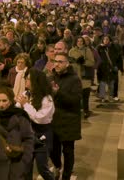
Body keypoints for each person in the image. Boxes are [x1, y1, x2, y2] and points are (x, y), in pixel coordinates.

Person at [0, 84, 34, 179]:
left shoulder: (20, 116)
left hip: (15, 165)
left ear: (10, 100)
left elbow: (29, 139)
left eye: (4, 101)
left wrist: (24, 161)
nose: (1, 104)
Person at [16, 69, 55, 180]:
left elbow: (40, 118)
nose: (26, 81)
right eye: (26, 78)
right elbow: (18, 109)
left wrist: (26, 105)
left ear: (36, 81)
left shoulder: (47, 99)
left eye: (28, 79)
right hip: (28, 135)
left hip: (42, 135)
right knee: (26, 168)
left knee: (42, 168)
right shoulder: (26, 94)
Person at [50, 52, 82, 180]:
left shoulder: (74, 79)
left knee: (68, 152)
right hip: (53, 121)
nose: (57, 64)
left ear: (67, 64)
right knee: (53, 150)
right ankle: (57, 166)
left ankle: (66, 177)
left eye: (60, 62)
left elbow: (75, 100)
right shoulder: (51, 77)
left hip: (69, 121)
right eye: (55, 61)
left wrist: (58, 93)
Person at [69, 37, 96, 118]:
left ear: (84, 42)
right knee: (75, 95)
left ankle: (86, 111)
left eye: (81, 41)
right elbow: (69, 61)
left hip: (85, 76)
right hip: (75, 76)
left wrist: (83, 62)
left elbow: (92, 62)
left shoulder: (87, 50)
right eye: (78, 40)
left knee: (85, 95)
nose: (79, 42)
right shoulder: (72, 51)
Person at [97, 35, 124, 103]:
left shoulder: (114, 48)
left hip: (112, 69)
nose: (106, 41)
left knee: (111, 84)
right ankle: (102, 97)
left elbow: (119, 58)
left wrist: (120, 68)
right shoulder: (100, 48)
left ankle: (111, 96)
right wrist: (100, 46)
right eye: (104, 39)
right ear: (102, 40)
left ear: (110, 40)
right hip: (103, 69)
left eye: (107, 39)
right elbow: (96, 56)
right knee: (102, 83)